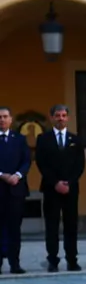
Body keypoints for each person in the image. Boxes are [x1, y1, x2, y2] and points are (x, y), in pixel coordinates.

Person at [35, 104, 84, 272]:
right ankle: (53, 260)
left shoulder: (75, 139)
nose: (61, 118)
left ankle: (72, 259)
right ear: (52, 118)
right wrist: (55, 182)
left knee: (71, 225)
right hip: (51, 188)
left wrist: (68, 182)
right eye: (57, 115)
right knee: (52, 226)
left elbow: (80, 165)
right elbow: (42, 164)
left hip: (71, 189)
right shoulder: (43, 139)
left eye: (64, 115)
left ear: (68, 118)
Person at [0, 107, 30, 274]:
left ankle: (15, 263)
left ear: (11, 119)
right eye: (0, 117)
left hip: (15, 189)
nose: (2, 120)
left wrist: (17, 175)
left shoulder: (19, 139)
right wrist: (2, 175)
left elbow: (26, 161)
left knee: (14, 228)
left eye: (5, 117)